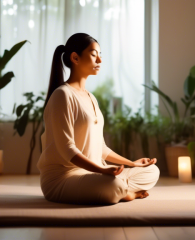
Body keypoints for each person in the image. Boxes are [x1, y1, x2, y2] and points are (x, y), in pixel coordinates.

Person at [37, 33, 160, 205]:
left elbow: (100, 148)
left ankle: (122, 190)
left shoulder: (91, 97)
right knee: (112, 184)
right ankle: (126, 192)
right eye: (94, 54)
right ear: (75, 57)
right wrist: (103, 170)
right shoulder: (62, 95)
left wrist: (132, 163)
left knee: (152, 170)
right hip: (63, 178)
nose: (99, 60)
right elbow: (67, 150)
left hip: (95, 174)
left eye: (100, 55)